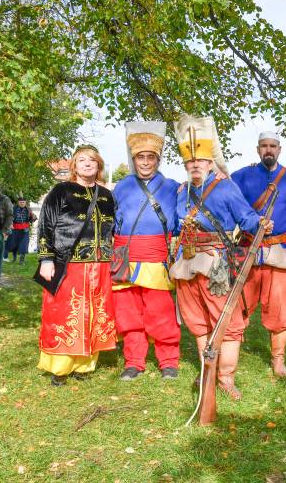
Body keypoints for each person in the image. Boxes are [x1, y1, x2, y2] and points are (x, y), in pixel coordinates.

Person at [169, 114, 273, 400]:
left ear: (210, 161)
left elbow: (246, 216)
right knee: (198, 321)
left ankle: (226, 378)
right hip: (186, 262)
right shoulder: (182, 192)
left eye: (200, 160)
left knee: (227, 323)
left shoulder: (226, 186)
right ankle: (208, 371)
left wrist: (260, 224)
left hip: (216, 263)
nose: (195, 165)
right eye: (190, 161)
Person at [230, 131, 286, 377]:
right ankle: (230, 354)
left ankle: (278, 360)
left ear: (279, 149)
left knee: (280, 307)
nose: (268, 150)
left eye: (273, 146)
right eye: (264, 146)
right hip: (248, 248)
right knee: (238, 304)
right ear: (258, 149)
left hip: (279, 251)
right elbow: (224, 198)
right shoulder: (242, 175)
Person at [36, 145, 117, 386]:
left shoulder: (107, 195)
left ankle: (85, 365)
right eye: (81, 160)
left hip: (100, 264)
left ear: (98, 164)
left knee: (94, 313)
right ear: (74, 166)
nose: (87, 164)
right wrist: (46, 259)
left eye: (92, 160)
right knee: (65, 313)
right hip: (68, 263)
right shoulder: (61, 191)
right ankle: (60, 368)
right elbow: (45, 224)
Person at [112, 121, 181, 381]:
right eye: (140, 157)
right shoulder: (121, 187)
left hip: (155, 256)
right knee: (128, 313)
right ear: (134, 159)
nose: (145, 162)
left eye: (150, 157)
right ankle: (133, 362)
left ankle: (168, 362)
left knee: (160, 312)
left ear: (158, 160)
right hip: (124, 257)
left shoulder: (173, 187)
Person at [3, 195, 36, 264]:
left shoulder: (28, 209)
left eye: (23, 202)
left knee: (24, 245)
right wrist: (10, 224)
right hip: (14, 229)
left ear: (25, 202)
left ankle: (21, 260)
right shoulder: (13, 208)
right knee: (13, 244)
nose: (22, 203)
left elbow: (32, 218)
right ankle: (14, 258)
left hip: (25, 230)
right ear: (18, 202)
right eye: (21, 202)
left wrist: (33, 217)